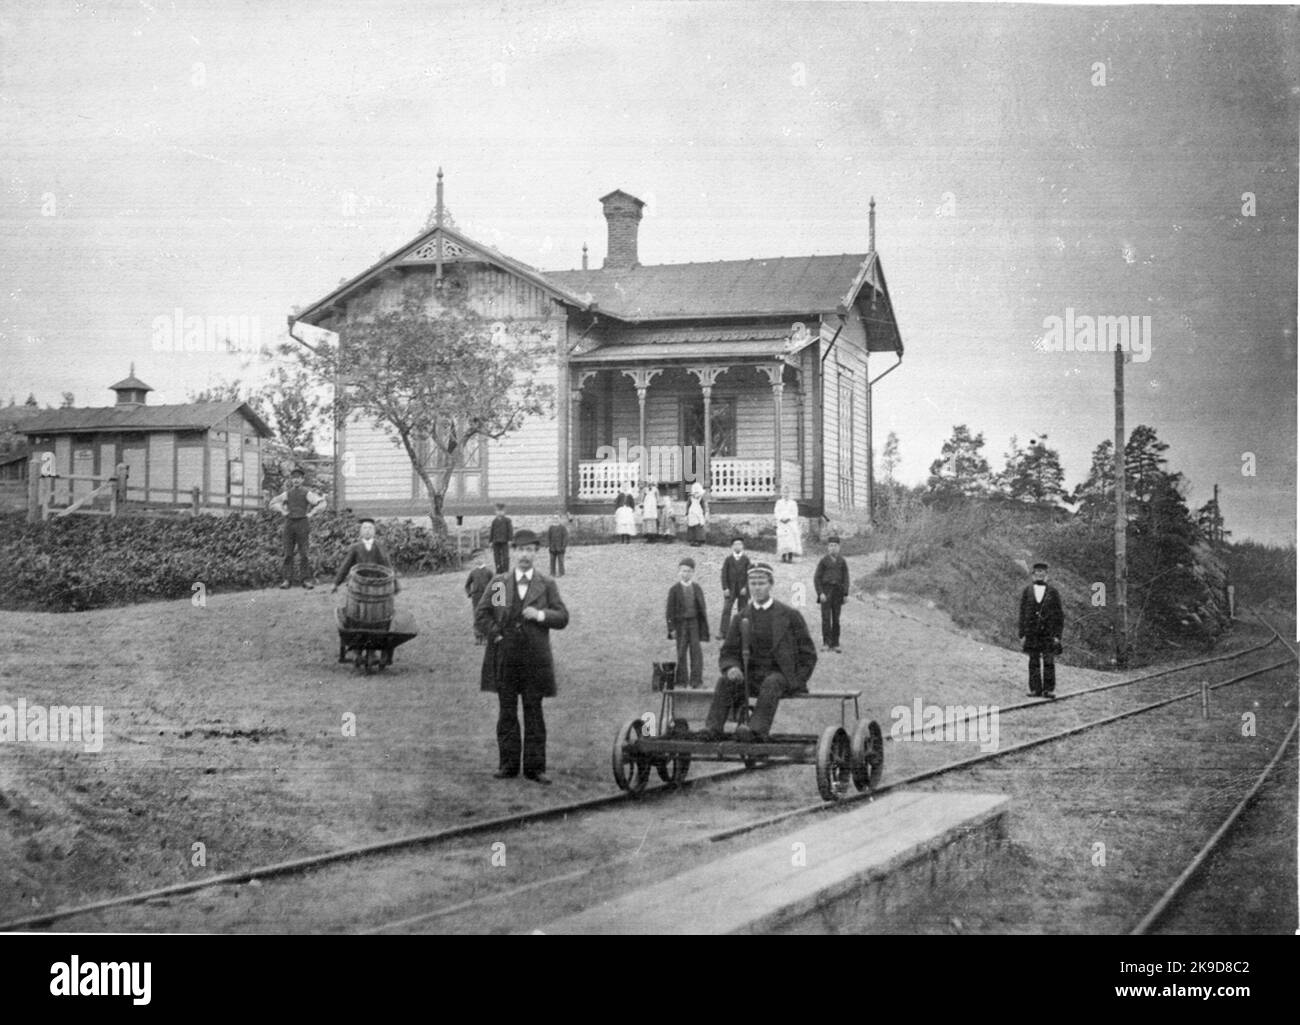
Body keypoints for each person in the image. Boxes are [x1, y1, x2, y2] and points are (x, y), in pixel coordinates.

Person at [476, 529, 569, 784]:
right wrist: (496, 635)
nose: (525, 555)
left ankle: (535, 768)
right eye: (521, 550)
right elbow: (483, 615)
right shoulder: (500, 583)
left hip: (534, 660)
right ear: (513, 552)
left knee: (533, 712)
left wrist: (540, 616)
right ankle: (507, 765)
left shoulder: (546, 584)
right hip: (506, 658)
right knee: (507, 712)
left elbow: (562, 617)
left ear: (536, 553)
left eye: (530, 550)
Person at [699, 561, 818, 743]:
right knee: (725, 681)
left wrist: (797, 679)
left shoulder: (790, 615)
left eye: (761, 583)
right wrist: (732, 668)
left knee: (772, 681)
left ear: (771, 584)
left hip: (781, 677)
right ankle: (712, 729)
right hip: (751, 678)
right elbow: (729, 652)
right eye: (753, 584)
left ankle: (755, 732)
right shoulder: (741, 617)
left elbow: (808, 654)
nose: (757, 588)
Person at [269, 468, 327, 589]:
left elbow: (322, 503)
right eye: (294, 478)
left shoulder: (307, 493)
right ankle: (286, 580)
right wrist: (283, 511)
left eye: (298, 478)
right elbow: (272, 503)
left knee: (304, 553)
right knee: (288, 553)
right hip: (289, 524)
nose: (296, 480)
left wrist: (312, 513)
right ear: (291, 479)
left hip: (302, 523)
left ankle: (305, 580)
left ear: (302, 479)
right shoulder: (287, 493)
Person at [1018, 561, 1064, 699]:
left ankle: (1048, 690)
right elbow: (1022, 613)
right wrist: (1022, 634)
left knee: (1049, 661)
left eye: (1042, 573)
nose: (1039, 575)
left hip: (1048, 633)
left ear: (1046, 575)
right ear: (1033, 575)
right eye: (1037, 572)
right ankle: (1035, 689)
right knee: (1033, 661)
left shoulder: (1053, 592)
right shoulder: (1027, 591)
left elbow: (1059, 615)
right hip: (1032, 633)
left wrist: (1057, 635)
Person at [666, 556, 710, 688]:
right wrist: (671, 628)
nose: (685, 574)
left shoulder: (697, 588)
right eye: (683, 571)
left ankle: (696, 681)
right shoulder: (674, 589)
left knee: (696, 653)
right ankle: (681, 681)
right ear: (679, 572)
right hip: (681, 625)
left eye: (689, 571)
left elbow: (702, 608)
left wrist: (703, 626)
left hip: (694, 624)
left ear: (693, 573)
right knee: (681, 652)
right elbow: (669, 610)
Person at [331, 517, 397, 595]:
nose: (367, 530)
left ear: (374, 531)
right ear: (361, 531)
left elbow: (387, 565)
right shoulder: (355, 547)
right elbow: (346, 565)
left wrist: (394, 583)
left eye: (370, 528)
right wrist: (336, 583)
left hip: (376, 584)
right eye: (365, 528)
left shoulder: (379, 546)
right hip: (358, 584)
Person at [813, 535, 850, 652]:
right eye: (830, 546)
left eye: (835, 546)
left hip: (838, 592)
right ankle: (826, 643)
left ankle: (835, 643)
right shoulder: (823, 561)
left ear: (839, 547)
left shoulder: (842, 561)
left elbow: (846, 578)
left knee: (836, 619)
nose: (832, 548)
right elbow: (817, 578)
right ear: (827, 548)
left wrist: (845, 594)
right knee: (825, 618)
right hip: (826, 592)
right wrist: (820, 593)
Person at [718, 536, 751, 639]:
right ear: (732, 546)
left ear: (743, 546)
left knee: (742, 611)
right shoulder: (728, 559)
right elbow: (724, 574)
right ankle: (723, 632)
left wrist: (745, 587)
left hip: (742, 590)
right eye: (735, 544)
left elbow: (749, 575)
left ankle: (741, 632)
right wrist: (725, 588)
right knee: (726, 609)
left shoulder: (746, 559)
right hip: (730, 589)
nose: (737, 546)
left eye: (740, 544)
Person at [464, 548, 493, 644]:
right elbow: (467, 585)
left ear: (484, 558)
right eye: (476, 558)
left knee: (485, 616)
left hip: (486, 598)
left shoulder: (488, 572)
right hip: (476, 598)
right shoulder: (473, 572)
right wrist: (469, 593)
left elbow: (496, 584)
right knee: (477, 616)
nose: (478, 560)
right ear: (474, 560)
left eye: (480, 557)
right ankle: (478, 637)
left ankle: (485, 637)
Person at [774, 486, 802, 563]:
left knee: (790, 540)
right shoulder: (779, 502)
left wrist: (789, 519)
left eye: (787, 492)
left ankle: (790, 557)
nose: (786, 494)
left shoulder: (793, 503)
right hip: (782, 523)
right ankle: (783, 556)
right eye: (784, 492)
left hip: (790, 523)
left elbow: (795, 514)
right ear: (782, 493)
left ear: (790, 493)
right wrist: (781, 518)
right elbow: (776, 513)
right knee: (783, 540)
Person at [488, 502, 513, 574]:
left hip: (504, 541)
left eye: (501, 511)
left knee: (505, 557)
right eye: (498, 511)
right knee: (496, 557)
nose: (499, 513)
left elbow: (510, 530)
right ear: (495, 512)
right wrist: (490, 541)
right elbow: (492, 531)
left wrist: (510, 540)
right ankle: (498, 570)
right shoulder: (494, 521)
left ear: (504, 512)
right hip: (495, 541)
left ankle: (506, 570)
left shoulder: (507, 520)